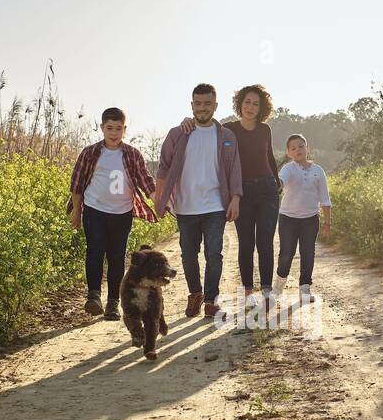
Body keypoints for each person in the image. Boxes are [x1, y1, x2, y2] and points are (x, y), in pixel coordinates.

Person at [180, 84, 280, 306]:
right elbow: (202, 127)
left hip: (267, 190)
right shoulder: (228, 129)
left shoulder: (265, 130)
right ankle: (247, 292)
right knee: (246, 242)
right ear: (239, 104)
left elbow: (270, 158)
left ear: (261, 107)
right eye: (247, 102)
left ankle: (266, 290)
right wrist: (185, 121)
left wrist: (276, 180)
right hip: (241, 191)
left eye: (255, 104)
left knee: (265, 241)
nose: (251, 107)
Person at [154, 84, 243, 319]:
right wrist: (159, 200)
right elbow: (163, 168)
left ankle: (211, 300)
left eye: (207, 104)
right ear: (192, 105)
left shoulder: (226, 136)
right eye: (198, 103)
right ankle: (195, 293)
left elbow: (234, 169)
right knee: (188, 255)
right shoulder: (178, 134)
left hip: (215, 204)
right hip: (186, 205)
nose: (202, 108)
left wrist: (235, 199)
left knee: (214, 253)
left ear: (215, 106)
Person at [68, 107, 159, 319]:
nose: (114, 133)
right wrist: (76, 213)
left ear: (124, 129)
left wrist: (158, 203)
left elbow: (146, 181)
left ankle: (112, 303)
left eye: (118, 128)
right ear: (102, 128)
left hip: (122, 213)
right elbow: (77, 184)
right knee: (95, 251)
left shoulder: (131, 154)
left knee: (117, 257)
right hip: (94, 210)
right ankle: (94, 296)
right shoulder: (90, 153)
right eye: (109, 128)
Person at [274, 134, 330, 304]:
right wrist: (277, 185)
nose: (297, 150)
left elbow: (325, 198)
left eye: (300, 146)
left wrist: (328, 222)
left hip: (310, 219)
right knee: (286, 254)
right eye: (293, 148)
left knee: (308, 254)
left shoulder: (318, 171)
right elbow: (280, 182)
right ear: (288, 153)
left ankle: (305, 289)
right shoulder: (288, 169)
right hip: (288, 219)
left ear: (307, 148)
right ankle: (278, 286)